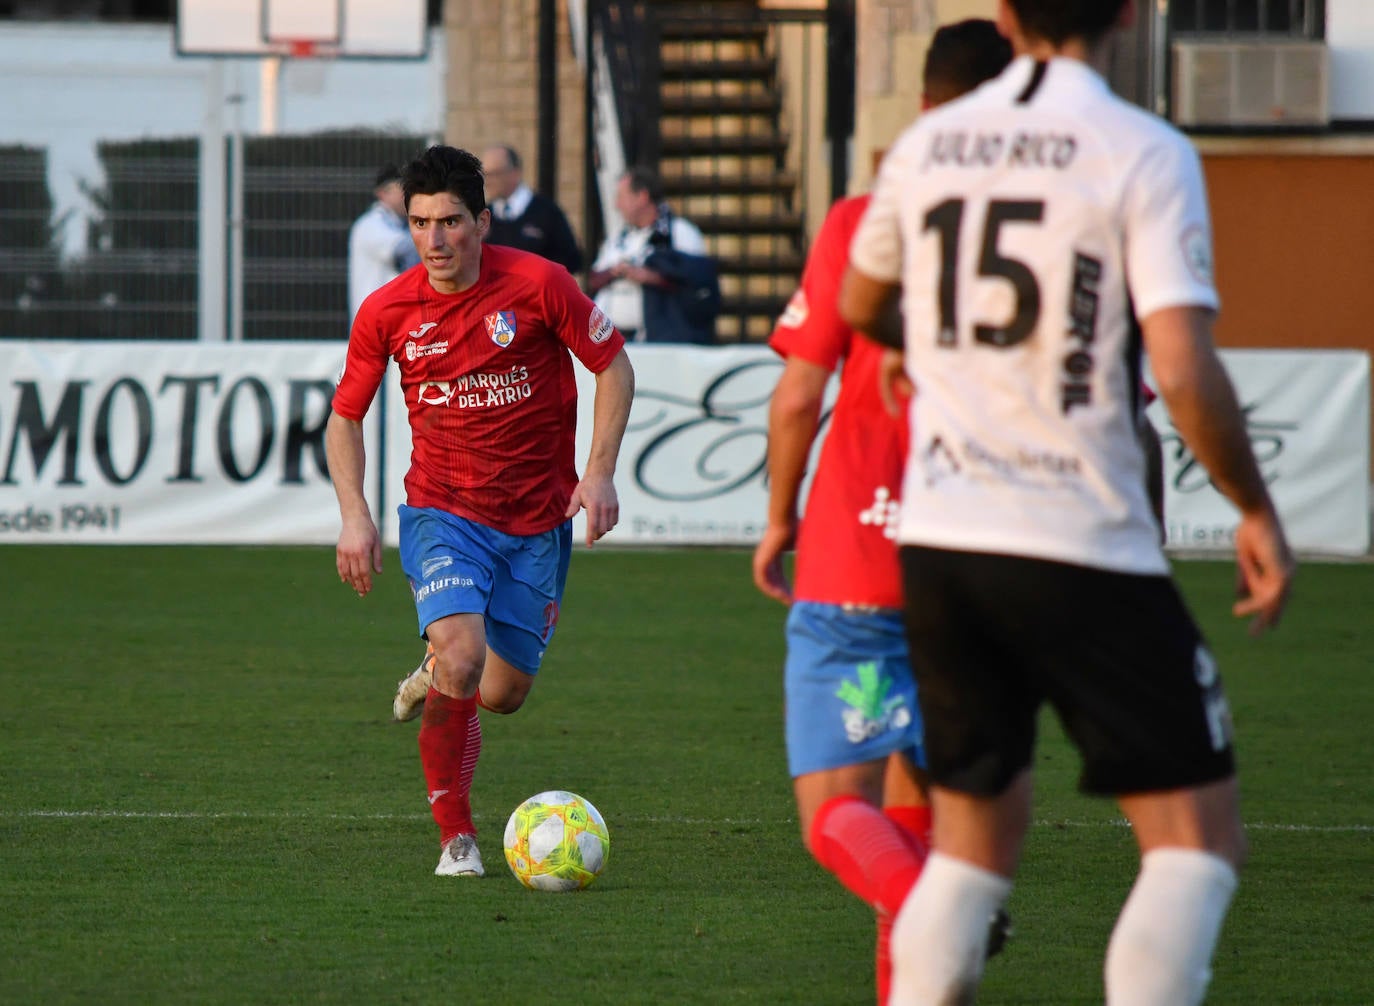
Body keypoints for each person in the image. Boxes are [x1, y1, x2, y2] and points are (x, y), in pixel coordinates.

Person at [838, 2, 1295, 1003]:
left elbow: (861, 302)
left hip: (945, 541)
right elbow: (1179, 365)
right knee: (1195, 842)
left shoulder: (932, 143)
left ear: (1006, 14)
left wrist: (926, 346)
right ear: (1129, 13)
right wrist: (1252, 506)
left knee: (969, 847)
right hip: (1078, 536)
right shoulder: (1142, 147)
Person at [752, 19, 1012, 1005]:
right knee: (912, 819)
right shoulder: (1059, 225)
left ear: (925, 106)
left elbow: (795, 396)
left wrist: (779, 516)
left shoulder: (871, 217)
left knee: (835, 814)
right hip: (992, 572)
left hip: (862, 560)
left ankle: (943, 905)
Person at [327, 144, 635, 878]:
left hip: (535, 522)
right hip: (442, 510)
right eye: (421, 223)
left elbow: (613, 364)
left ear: (483, 221)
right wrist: (355, 515)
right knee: (463, 660)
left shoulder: (540, 284)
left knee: (501, 693)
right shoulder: (388, 309)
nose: (435, 241)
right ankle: (456, 839)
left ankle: (436, 671)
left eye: (452, 222)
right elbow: (345, 417)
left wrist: (597, 474)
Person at [587, 166, 717, 344]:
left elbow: (697, 285)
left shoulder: (680, 233)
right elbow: (593, 279)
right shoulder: (619, 238)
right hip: (613, 341)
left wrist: (649, 276)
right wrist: (615, 272)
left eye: (621, 197)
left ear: (642, 197)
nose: (617, 205)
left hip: (660, 342)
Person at [480, 144, 584, 275]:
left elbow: (572, 261)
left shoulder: (547, 213)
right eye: (485, 174)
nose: (487, 182)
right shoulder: (483, 216)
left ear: (515, 173)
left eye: (494, 174)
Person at [347, 163, 421, 323]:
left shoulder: (403, 224)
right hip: (373, 325)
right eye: (403, 189)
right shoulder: (369, 224)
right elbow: (407, 248)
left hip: (396, 322)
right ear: (382, 193)